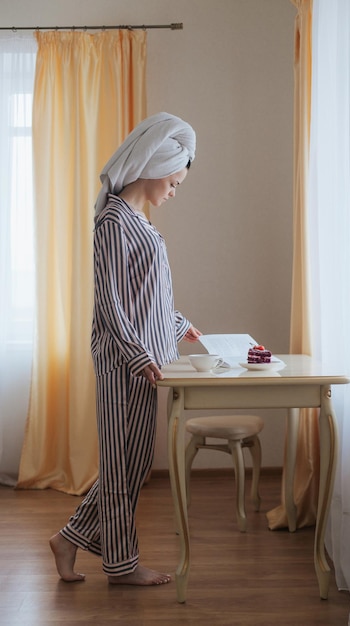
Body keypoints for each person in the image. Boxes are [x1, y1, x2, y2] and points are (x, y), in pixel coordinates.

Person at [50, 112, 202, 586]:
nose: (175, 191)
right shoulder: (114, 220)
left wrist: (178, 323)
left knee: (132, 467)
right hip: (126, 365)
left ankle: (69, 540)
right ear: (153, 169)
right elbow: (111, 301)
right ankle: (121, 566)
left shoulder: (136, 219)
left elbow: (147, 297)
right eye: (174, 182)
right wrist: (138, 355)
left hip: (149, 363)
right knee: (122, 468)